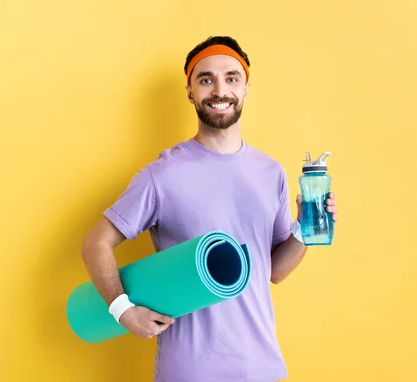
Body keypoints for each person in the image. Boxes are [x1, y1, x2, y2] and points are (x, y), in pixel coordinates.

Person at [80, 36, 339, 382]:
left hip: (262, 368)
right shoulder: (162, 175)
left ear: (246, 89)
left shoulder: (271, 172)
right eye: (206, 79)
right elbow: (95, 244)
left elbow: (273, 271)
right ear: (190, 91)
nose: (220, 90)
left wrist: (304, 228)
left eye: (231, 78)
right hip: (190, 371)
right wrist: (122, 309)